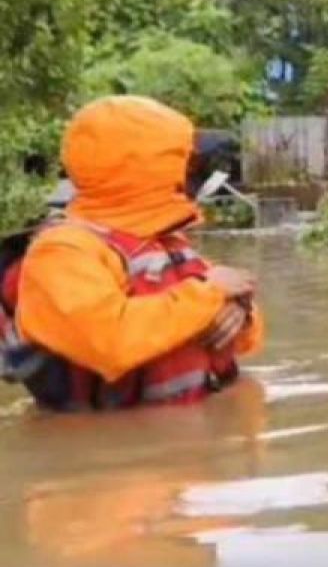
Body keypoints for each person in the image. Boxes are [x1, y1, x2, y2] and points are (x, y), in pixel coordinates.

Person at [1, 96, 264, 411]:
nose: (192, 169)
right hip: (102, 453)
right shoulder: (62, 251)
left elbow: (248, 341)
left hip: (192, 442)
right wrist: (210, 296)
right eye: (183, 159)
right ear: (148, 168)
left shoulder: (165, 241)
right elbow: (109, 342)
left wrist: (240, 312)